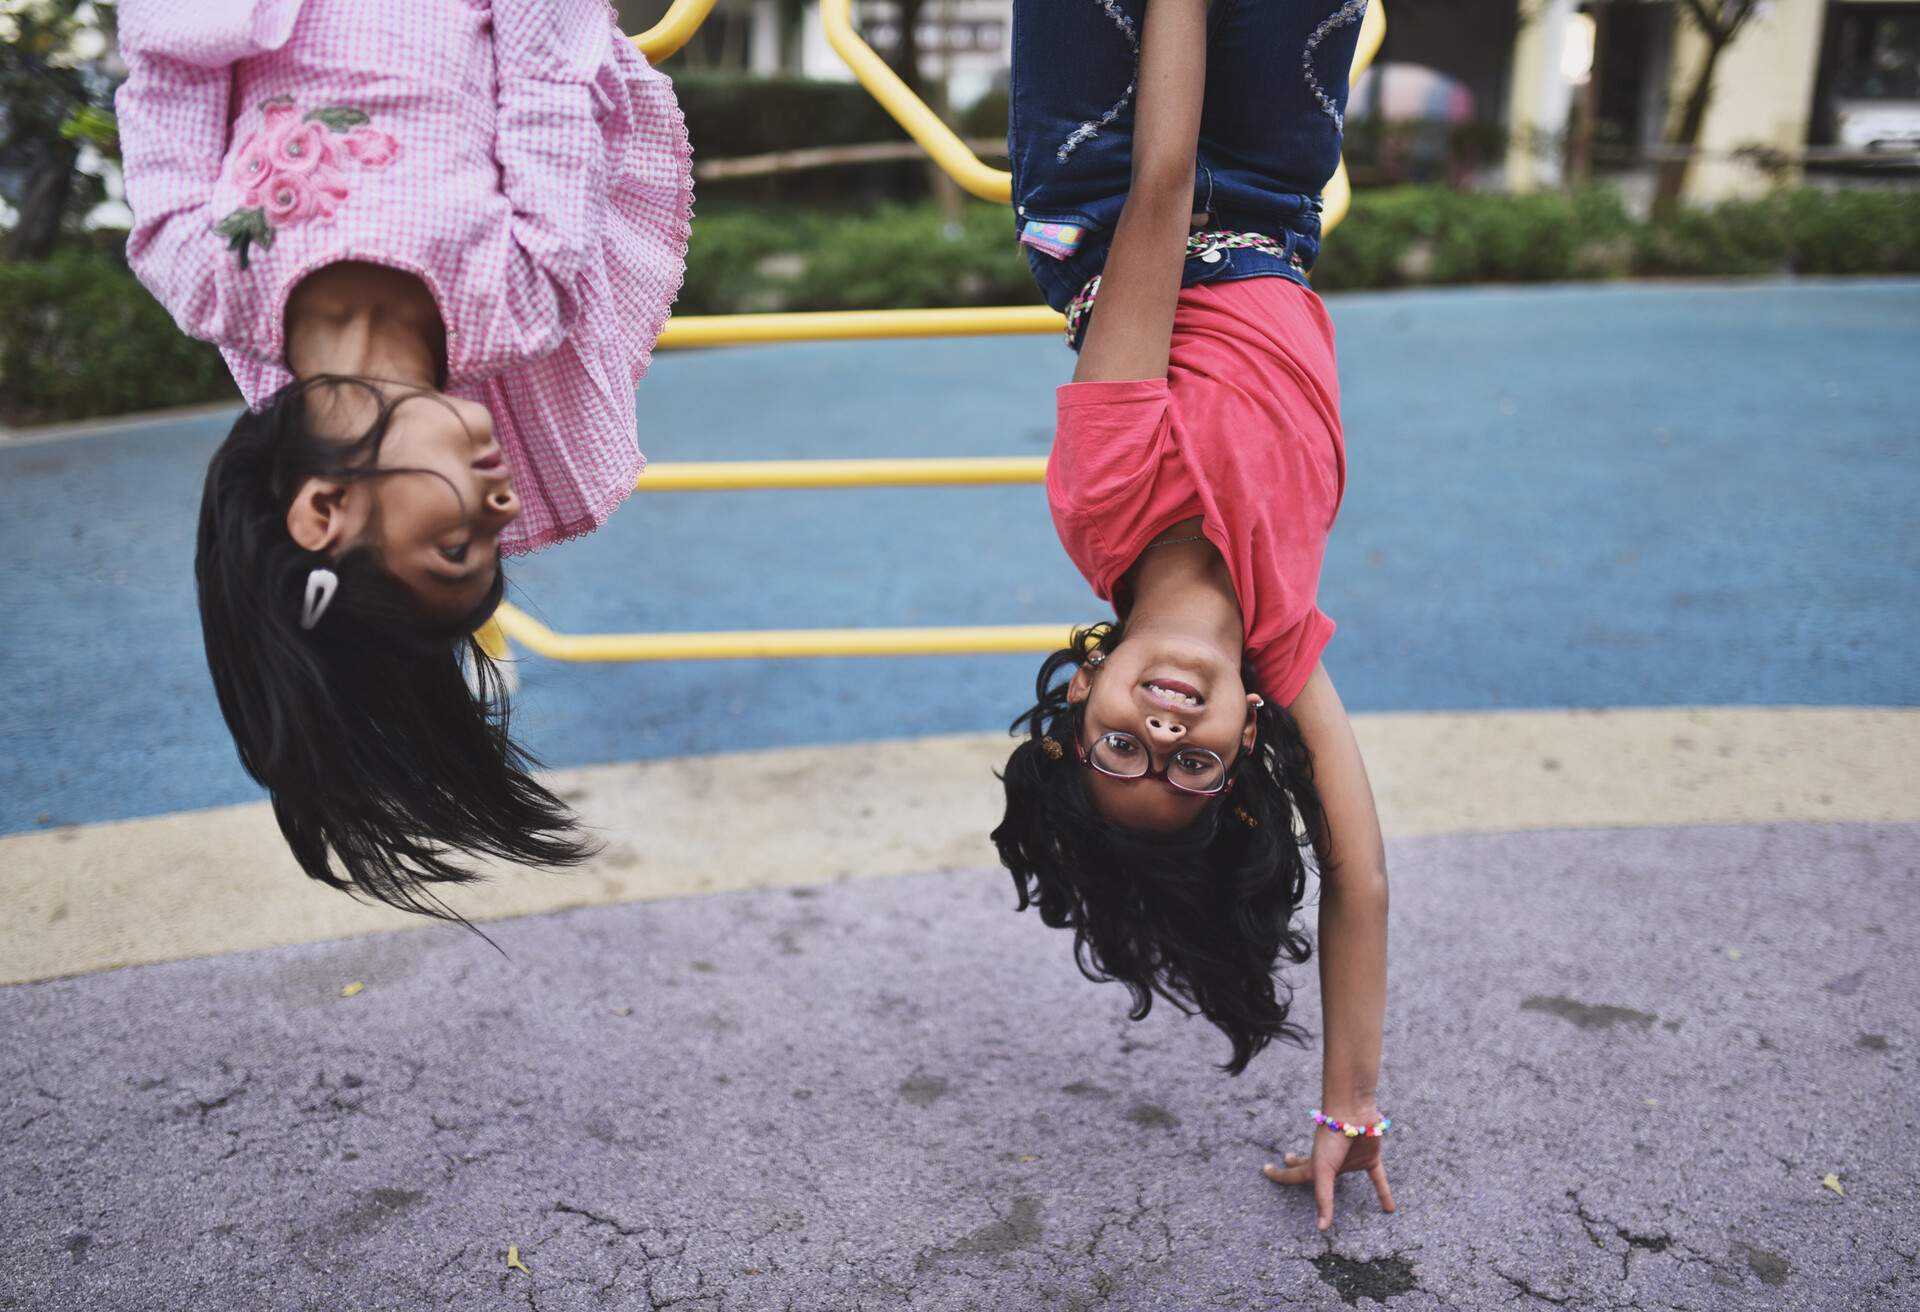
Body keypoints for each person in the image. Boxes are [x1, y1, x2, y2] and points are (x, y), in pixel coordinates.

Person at [115, 0, 692, 916]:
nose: (505, 512)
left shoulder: (199, 271)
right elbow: (547, 76)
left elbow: (173, 62)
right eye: (494, 546)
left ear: (322, 513)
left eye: (453, 549)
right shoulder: (520, 293)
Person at [990, 0, 1394, 1230]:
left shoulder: (1109, 498)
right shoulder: (1279, 644)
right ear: (1245, 745)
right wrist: (1349, 1106)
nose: (1163, 730)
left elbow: (1160, 184)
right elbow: (1360, 877)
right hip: (1271, 197)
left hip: (1110, 178)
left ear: (1080, 700)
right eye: (1193, 763)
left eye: (1124, 747)